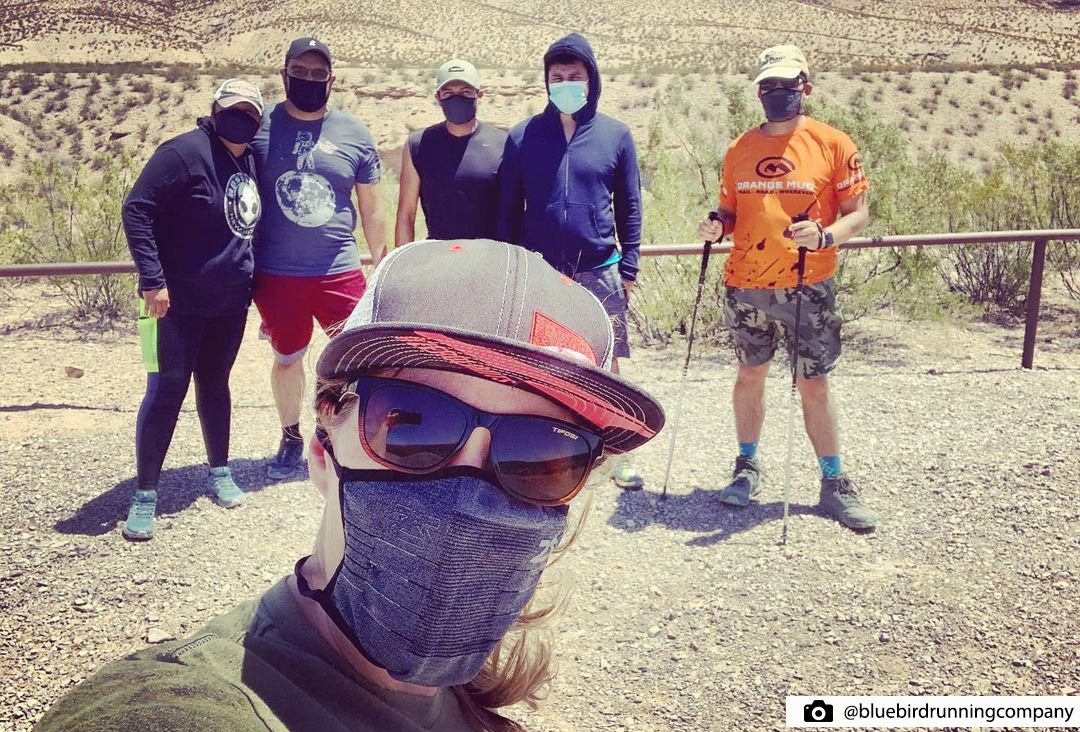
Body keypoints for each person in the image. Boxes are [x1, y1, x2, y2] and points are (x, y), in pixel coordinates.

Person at [33, 239, 665, 732]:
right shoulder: (178, 707)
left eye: (540, 454)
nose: (472, 495)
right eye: (412, 425)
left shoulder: (475, 710)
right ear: (320, 449)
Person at [697, 45, 878, 530]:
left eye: (787, 85)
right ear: (758, 91)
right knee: (749, 376)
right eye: (768, 87)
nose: (778, 94)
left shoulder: (833, 143)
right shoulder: (739, 148)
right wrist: (719, 225)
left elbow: (857, 213)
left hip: (808, 283)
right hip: (745, 283)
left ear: (806, 87)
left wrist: (823, 236)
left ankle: (834, 482)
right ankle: (747, 467)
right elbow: (732, 211)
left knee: (813, 383)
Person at [497, 33, 646, 491]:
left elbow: (630, 205)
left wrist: (630, 268)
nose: (565, 83)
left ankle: (615, 449)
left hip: (599, 267)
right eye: (557, 77)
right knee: (539, 358)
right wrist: (509, 266)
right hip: (540, 269)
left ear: (591, 80)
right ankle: (542, 449)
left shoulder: (615, 135)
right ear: (546, 82)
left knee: (607, 359)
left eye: (574, 76)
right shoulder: (523, 135)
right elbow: (508, 206)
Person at [119, 79, 264, 541]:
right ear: (214, 109)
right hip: (175, 304)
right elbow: (136, 209)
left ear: (258, 121)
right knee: (166, 390)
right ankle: (145, 495)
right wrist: (153, 280)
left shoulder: (250, 158)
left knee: (216, 386)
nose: (240, 118)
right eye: (231, 108)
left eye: (249, 112)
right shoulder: (182, 153)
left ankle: (219, 470)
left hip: (230, 301)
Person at [250, 37, 388, 481]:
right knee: (287, 358)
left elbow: (372, 206)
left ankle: (337, 437)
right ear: (284, 74)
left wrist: (381, 262)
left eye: (317, 74)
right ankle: (290, 438)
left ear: (332, 80)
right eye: (300, 72)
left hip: (339, 270)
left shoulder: (355, 133)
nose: (308, 81)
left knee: (353, 360)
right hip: (277, 273)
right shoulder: (259, 127)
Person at [395, 59, 506, 245]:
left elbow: (514, 211)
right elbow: (406, 214)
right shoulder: (418, 144)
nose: (457, 98)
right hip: (439, 259)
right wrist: (401, 266)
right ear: (438, 97)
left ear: (479, 95)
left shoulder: (502, 144)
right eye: (448, 93)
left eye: (465, 92)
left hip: (489, 259)